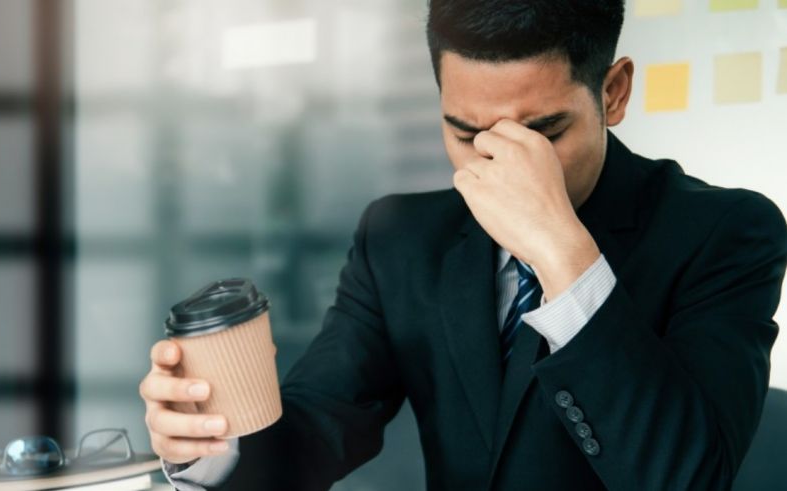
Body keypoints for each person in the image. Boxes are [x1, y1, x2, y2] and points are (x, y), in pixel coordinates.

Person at [138, 1, 787, 489]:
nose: (504, 164)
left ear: (612, 93)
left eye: (543, 132)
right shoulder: (400, 238)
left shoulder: (727, 232)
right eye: (466, 131)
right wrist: (207, 444)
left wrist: (564, 251)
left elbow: (687, 477)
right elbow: (318, 427)